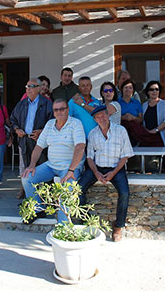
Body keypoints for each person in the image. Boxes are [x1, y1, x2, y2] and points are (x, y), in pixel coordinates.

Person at [21, 98, 86, 224]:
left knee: (66, 190)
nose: (59, 112)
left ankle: (63, 226)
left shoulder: (75, 123)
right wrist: (32, 165)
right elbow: (39, 146)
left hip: (70, 168)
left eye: (62, 109)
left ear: (67, 110)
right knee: (27, 177)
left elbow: (80, 146)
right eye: (56, 110)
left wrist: (71, 170)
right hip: (51, 165)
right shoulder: (50, 124)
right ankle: (38, 209)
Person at [78, 105, 133, 242]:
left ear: (108, 115)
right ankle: (86, 221)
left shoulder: (120, 131)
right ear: (95, 120)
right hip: (97, 168)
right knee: (78, 189)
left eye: (103, 115)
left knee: (125, 193)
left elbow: (125, 156)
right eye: (98, 117)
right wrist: (96, 173)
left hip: (116, 167)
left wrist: (113, 173)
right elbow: (90, 157)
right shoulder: (92, 133)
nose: (101, 118)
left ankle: (118, 226)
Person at [10, 78, 53, 198]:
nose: (28, 89)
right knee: (29, 170)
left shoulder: (47, 103)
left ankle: (45, 199)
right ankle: (32, 200)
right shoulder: (22, 104)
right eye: (27, 87)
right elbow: (13, 119)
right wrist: (16, 129)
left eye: (32, 86)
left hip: (40, 142)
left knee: (43, 169)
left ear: (39, 88)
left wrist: (42, 131)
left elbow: (53, 122)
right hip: (25, 141)